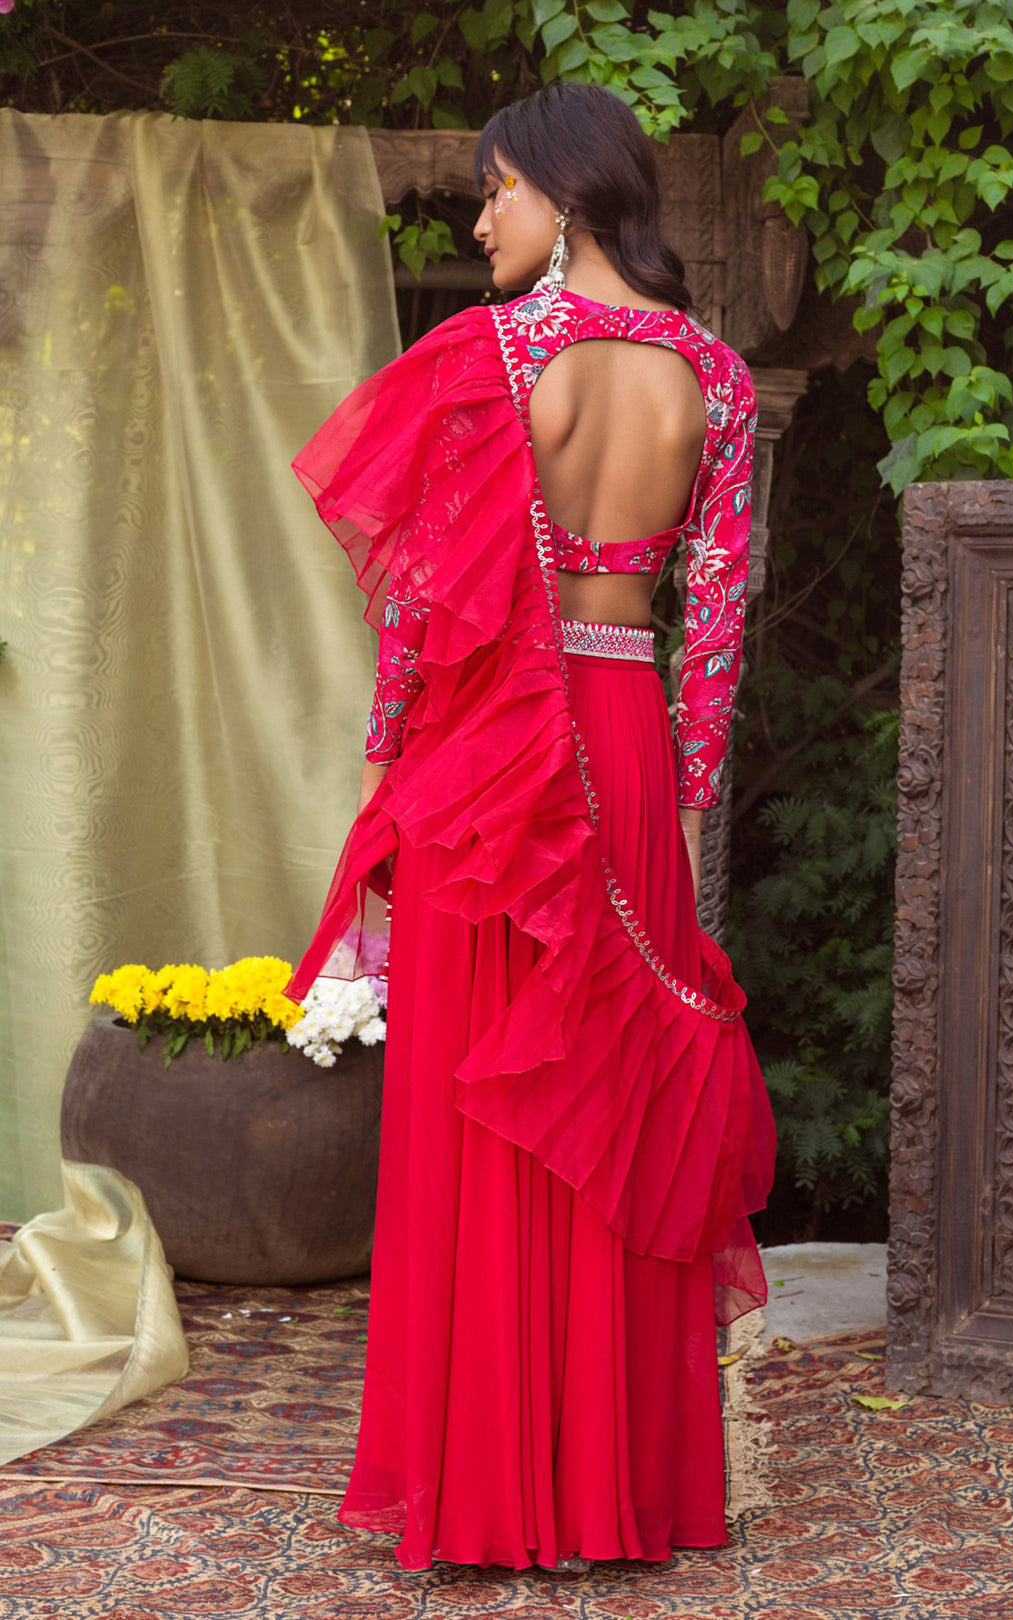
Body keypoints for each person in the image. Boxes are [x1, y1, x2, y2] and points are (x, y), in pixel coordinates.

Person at [285, 80, 777, 1573]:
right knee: (614, 1092)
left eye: (496, 191)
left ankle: (489, 1490)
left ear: (565, 197)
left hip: (490, 767)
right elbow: (713, 650)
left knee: (477, 1117)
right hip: (623, 746)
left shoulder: (486, 357)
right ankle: (619, 1493)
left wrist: (385, 797)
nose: (480, 219)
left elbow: (421, 621)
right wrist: (686, 816)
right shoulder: (719, 381)